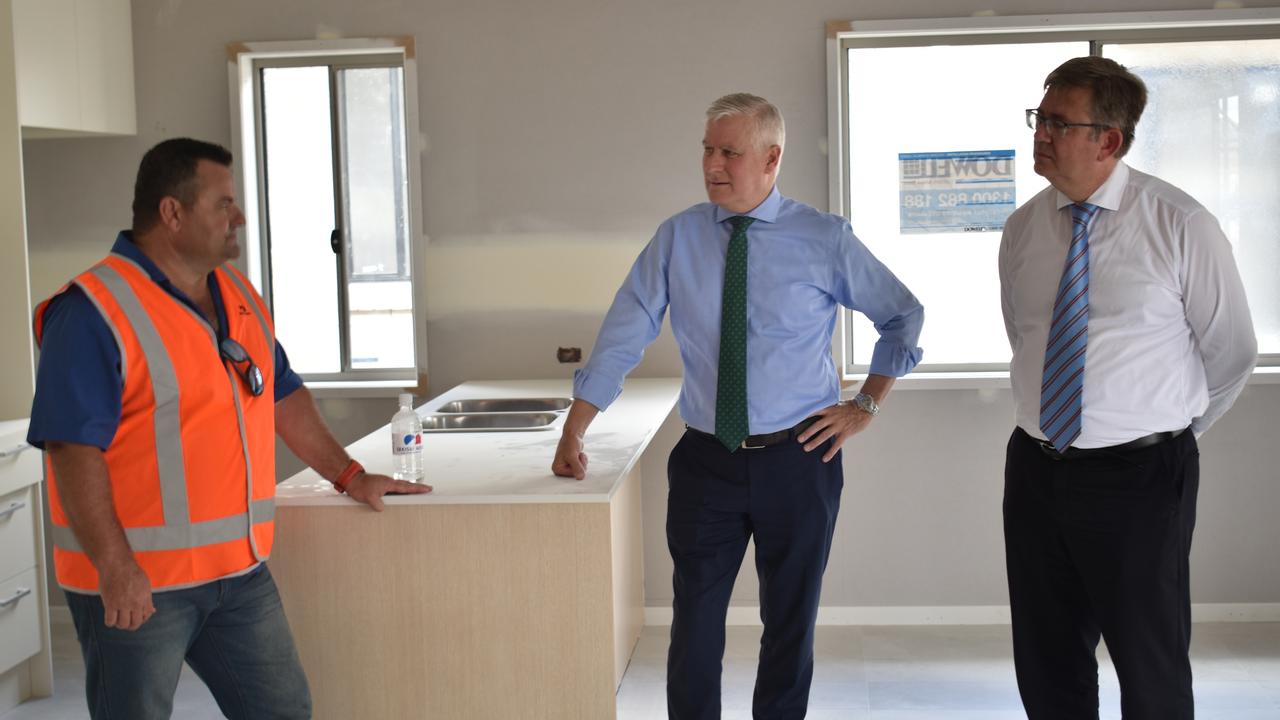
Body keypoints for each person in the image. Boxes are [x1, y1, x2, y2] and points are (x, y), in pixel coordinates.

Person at [27, 138, 432, 720]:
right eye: (224, 204)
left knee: (284, 711)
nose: (238, 217)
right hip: (142, 583)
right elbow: (72, 449)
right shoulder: (93, 310)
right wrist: (115, 567)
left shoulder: (237, 294)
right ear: (172, 213)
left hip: (238, 576)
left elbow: (281, 395)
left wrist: (350, 475)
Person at [552, 93, 923, 719]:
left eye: (729, 151)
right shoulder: (678, 237)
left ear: (772, 157)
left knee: (790, 619)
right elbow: (624, 332)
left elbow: (902, 315)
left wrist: (866, 404)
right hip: (706, 461)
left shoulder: (824, 238)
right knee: (695, 620)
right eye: (706, 149)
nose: (712, 164)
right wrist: (576, 426)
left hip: (801, 458)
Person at [999, 57, 1257, 719]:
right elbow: (1027, 339)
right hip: (1036, 468)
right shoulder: (1023, 229)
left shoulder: (1180, 224)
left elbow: (1230, 352)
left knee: (1150, 663)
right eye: (1040, 118)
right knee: (1046, 658)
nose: (1041, 135)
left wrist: (1161, 437)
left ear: (1108, 140)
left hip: (1141, 475)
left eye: (1059, 123)